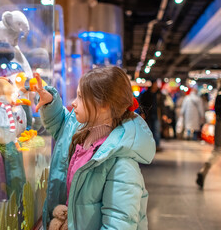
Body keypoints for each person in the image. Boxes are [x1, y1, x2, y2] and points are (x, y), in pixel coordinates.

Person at [34, 67, 156, 230]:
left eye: (80, 97)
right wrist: (50, 102)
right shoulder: (83, 131)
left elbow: (119, 223)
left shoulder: (122, 164)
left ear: (104, 104)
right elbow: (63, 126)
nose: (73, 102)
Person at [196, 88, 221, 189]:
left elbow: (216, 109)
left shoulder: (219, 95)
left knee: (217, 150)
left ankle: (204, 170)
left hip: (219, 123)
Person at [139, 80, 165, 150]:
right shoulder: (146, 94)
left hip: (157, 114)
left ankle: (157, 145)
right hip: (148, 115)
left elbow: (162, 105)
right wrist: (142, 113)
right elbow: (142, 104)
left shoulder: (159, 94)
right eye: (155, 84)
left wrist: (163, 114)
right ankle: (149, 145)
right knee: (148, 130)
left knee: (157, 130)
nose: (156, 85)